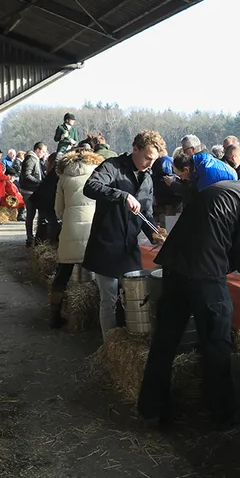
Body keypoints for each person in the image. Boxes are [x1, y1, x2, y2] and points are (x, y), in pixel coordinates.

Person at [139, 172, 240, 428]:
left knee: (165, 339)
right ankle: (223, 414)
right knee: (217, 340)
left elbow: (234, 244)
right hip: (205, 271)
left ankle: (151, 408)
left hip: (175, 265)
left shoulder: (229, 187)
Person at [82, 131, 167, 339]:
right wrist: (122, 196)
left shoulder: (147, 178)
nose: (150, 163)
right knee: (109, 300)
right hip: (107, 244)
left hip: (129, 248)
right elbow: (90, 187)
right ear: (135, 149)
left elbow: (145, 212)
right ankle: (109, 345)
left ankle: (129, 337)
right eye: (147, 157)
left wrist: (155, 233)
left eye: (154, 160)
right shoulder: (112, 166)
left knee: (135, 297)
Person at [47, 149, 104, 328]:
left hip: (70, 229)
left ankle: (54, 315)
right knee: (100, 273)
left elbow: (58, 209)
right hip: (93, 227)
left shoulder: (63, 177)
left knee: (62, 274)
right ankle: (98, 316)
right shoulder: (98, 173)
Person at [20, 142, 47, 247]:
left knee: (32, 214)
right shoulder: (31, 159)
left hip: (32, 190)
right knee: (31, 214)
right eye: (43, 151)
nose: (44, 154)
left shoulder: (35, 159)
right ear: (37, 150)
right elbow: (27, 175)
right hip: (29, 191)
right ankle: (30, 237)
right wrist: (39, 182)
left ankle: (32, 237)